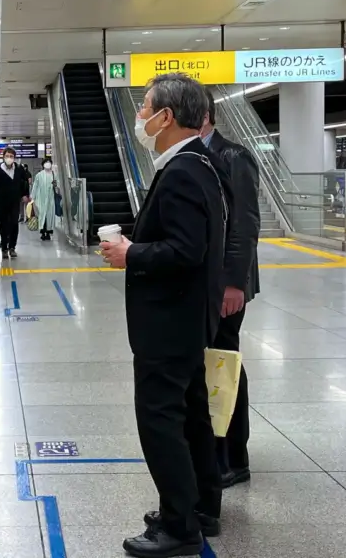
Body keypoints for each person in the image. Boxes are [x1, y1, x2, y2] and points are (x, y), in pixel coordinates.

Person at [101, 73, 231, 558]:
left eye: (145, 108)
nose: (140, 117)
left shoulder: (181, 170)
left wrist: (130, 253)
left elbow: (184, 250)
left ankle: (178, 525)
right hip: (189, 317)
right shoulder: (203, 163)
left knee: (160, 419)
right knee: (193, 414)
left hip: (168, 320)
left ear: (166, 117)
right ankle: (201, 507)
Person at [200, 88, 260, 488]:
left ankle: (233, 457)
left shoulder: (233, 156)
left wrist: (234, 283)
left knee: (225, 363)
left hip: (226, 285)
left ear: (202, 114)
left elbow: (244, 223)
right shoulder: (197, 156)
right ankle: (215, 448)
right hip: (206, 283)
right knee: (215, 364)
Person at [0, 147, 29, 258]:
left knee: (14, 224)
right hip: (1, 203)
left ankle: (12, 247)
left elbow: (25, 182)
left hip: (14, 202)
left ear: (14, 158)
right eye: (7, 156)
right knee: (3, 226)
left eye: (11, 156)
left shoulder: (19, 169)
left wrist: (25, 194)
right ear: (3, 157)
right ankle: (4, 248)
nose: (9, 158)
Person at [30, 157, 57, 240]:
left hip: (50, 199)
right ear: (43, 165)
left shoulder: (53, 174)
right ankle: (42, 232)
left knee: (49, 216)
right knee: (42, 216)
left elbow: (57, 186)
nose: (48, 163)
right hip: (41, 198)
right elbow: (35, 186)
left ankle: (48, 233)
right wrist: (32, 197)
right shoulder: (39, 175)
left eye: (49, 162)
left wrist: (55, 185)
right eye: (46, 162)